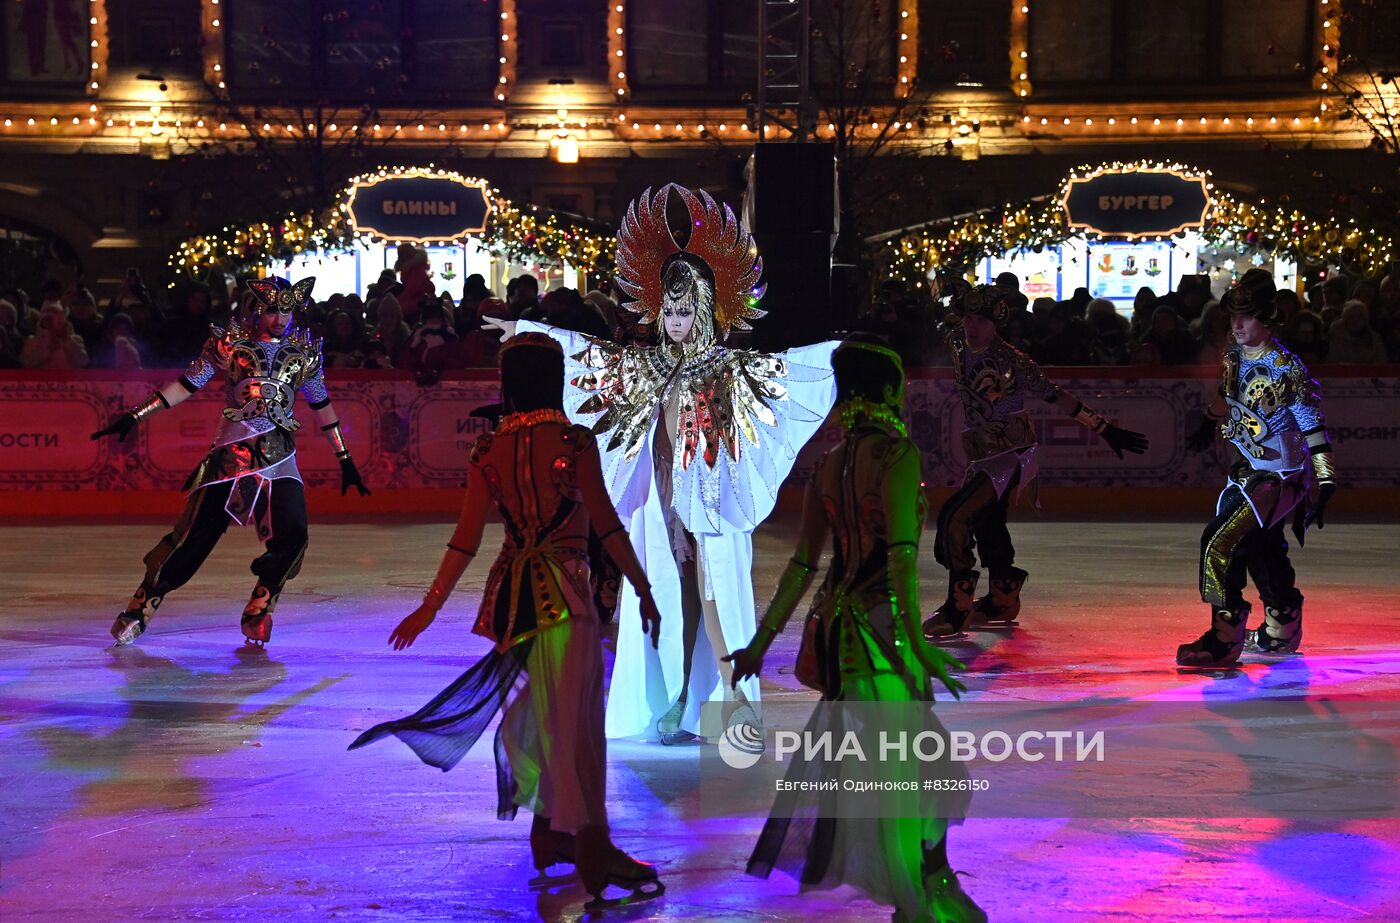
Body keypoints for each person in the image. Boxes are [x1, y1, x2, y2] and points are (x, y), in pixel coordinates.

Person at [484, 184, 838, 744]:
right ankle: (673, 703)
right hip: (660, 505)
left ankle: (733, 702)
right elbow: (590, 359)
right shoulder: (645, 368)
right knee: (665, 601)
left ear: (704, 308)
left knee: (715, 592)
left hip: (711, 505)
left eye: (685, 309)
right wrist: (528, 331)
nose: (674, 320)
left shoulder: (727, 369)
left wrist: (836, 356)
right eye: (668, 310)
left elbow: (785, 375)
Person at [349, 334, 666, 910]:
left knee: (547, 717)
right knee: (576, 727)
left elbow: (466, 539)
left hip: (514, 604)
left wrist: (432, 604)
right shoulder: (573, 442)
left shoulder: (488, 451)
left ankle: (550, 831)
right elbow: (607, 525)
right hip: (567, 599)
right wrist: (642, 587)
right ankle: (594, 850)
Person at [726, 335, 982, 923]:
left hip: (841, 635)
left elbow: (802, 564)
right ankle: (919, 896)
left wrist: (760, 645)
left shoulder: (831, 462)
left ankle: (922, 887)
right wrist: (917, 647)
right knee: (918, 773)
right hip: (881, 633)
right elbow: (896, 562)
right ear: (889, 389)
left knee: (908, 771)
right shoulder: (896, 455)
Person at [91, 277, 371, 647]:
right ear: (254, 308)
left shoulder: (303, 355)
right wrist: (135, 417)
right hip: (232, 455)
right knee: (193, 540)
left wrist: (345, 458)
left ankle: (261, 604)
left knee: (295, 533)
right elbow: (187, 384)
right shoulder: (231, 346)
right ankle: (142, 603)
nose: (280, 317)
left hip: (280, 457)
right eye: (272, 309)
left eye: (286, 309)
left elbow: (321, 404)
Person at [923, 284, 1149, 640]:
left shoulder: (1011, 359)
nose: (972, 325)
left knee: (956, 518)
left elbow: (1055, 396)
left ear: (996, 321)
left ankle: (959, 605)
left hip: (1010, 454)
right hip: (981, 454)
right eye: (968, 317)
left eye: (981, 319)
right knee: (988, 523)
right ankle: (1002, 594)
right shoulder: (956, 342)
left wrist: (1104, 428)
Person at [1180, 269, 1337, 667]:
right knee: (1260, 546)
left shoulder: (1287, 367)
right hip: (1249, 469)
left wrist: (1325, 477)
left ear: (1268, 317)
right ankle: (1281, 624)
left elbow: (1312, 424)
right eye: (1233, 314)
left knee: (1219, 543)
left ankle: (1225, 635)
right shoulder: (1234, 356)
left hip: (1279, 477)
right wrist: (1207, 418)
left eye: (1246, 316)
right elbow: (1226, 394)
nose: (1236, 324)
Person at [21, 302, 89, 369]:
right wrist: (48, 348)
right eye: (48, 318)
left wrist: (66, 339)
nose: (52, 321)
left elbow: (82, 361)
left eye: (56, 316)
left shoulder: (75, 339)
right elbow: (27, 363)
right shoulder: (32, 341)